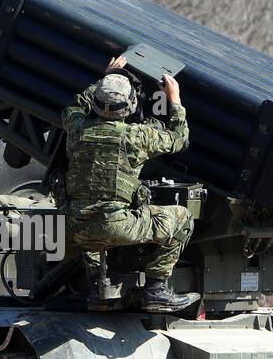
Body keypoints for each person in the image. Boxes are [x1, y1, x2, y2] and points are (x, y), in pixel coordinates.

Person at [61, 54, 198, 312]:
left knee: (91, 224)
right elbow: (180, 138)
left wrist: (106, 78)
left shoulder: (76, 127)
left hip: (74, 226)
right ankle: (156, 289)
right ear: (130, 105)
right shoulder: (137, 136)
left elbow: (76, 106)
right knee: (183, 218)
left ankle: (96, 290)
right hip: (117, 227)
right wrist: (174, 99)